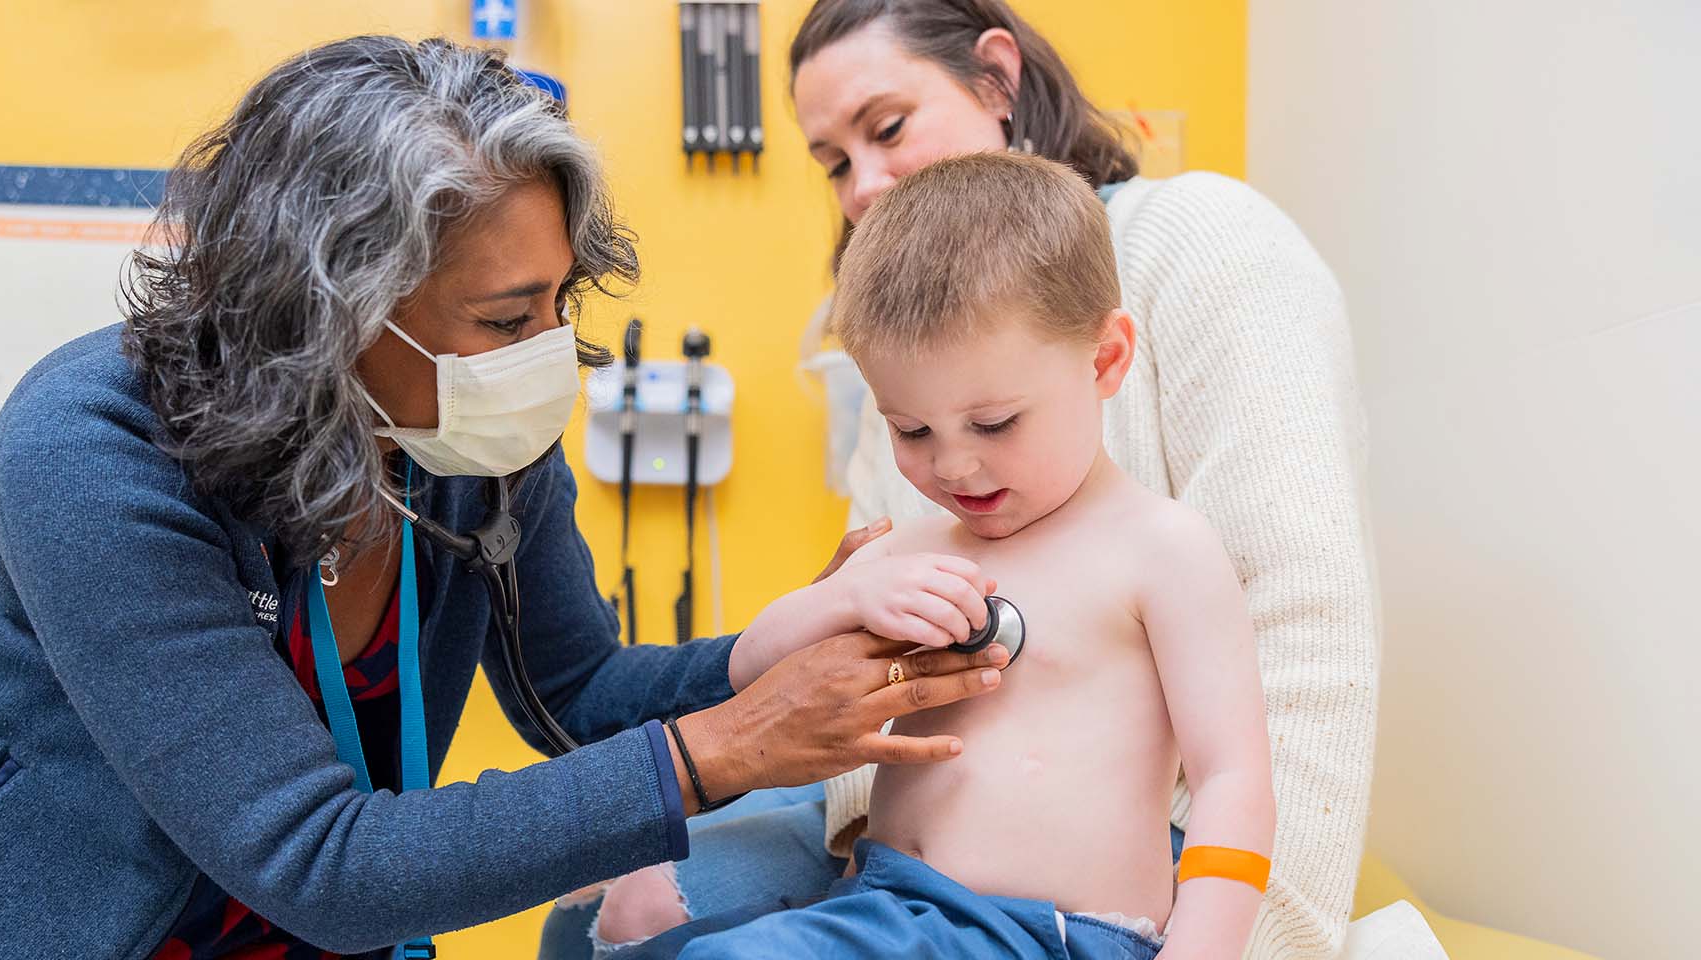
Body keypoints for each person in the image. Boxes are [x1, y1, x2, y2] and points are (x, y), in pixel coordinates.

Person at [0, 36, 1009, 959]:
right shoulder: (93, 450)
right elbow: (323, 862)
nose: (549, 354)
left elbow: (578, 695)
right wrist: (730, 748)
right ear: (327, 308)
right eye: (505, 319)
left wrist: (780, 643)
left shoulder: (462, 422)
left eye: (559, 303)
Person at [548, 2, 1377, 958]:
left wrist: (1230, 937)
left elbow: (1282, 694)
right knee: (609, 919)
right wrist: (844, 605)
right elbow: (787, 662)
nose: (952, 466)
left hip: (1074, 904)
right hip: (900, 885)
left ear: (997, 77)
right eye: (832, 161)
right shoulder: (924, 477)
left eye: (887, 126)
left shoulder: (1161, 518)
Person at [621, 151, 1276, 960]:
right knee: (646, 945)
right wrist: (846, 598)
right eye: (913, 430)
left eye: (995, 423)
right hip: (883, 905)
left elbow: (1232, 777)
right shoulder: (914, 543)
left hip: (1050, 935)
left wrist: (1203, 949)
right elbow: (755, 670)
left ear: (1104, 361)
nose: (955, 466)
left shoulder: (1160, 549)